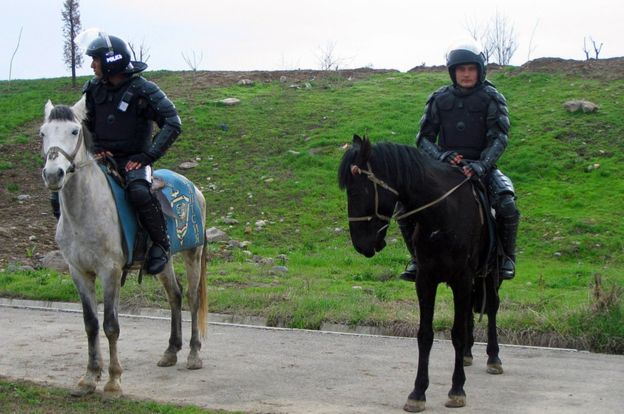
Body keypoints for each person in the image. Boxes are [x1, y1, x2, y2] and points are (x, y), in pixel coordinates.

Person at [50, 31, 182, 275]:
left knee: (139, 191)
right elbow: (85, 125)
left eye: (96, 59)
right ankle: (76, 242)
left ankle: (160, 245)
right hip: (100, 159)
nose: (92, 65)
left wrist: (147, 157)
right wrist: (94, 151)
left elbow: (173, 122)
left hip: (135, 161)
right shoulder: (92, 89)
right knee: (61, 192)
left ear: (111, 62)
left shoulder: (144, 90)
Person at [398, 42, 519, 282]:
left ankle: (506, 257)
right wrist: (441, 156)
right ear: (452, 72)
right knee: (404, 208)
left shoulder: (492, 98)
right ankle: (416, 258)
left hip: (481, 168)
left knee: (507, 204)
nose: (465, 74)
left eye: (470, 69)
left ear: (480, 70)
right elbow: (423, 139)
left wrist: (482, 165)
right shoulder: (439, 99)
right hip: (443, 169)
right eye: (460, 69)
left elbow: (499, 138)